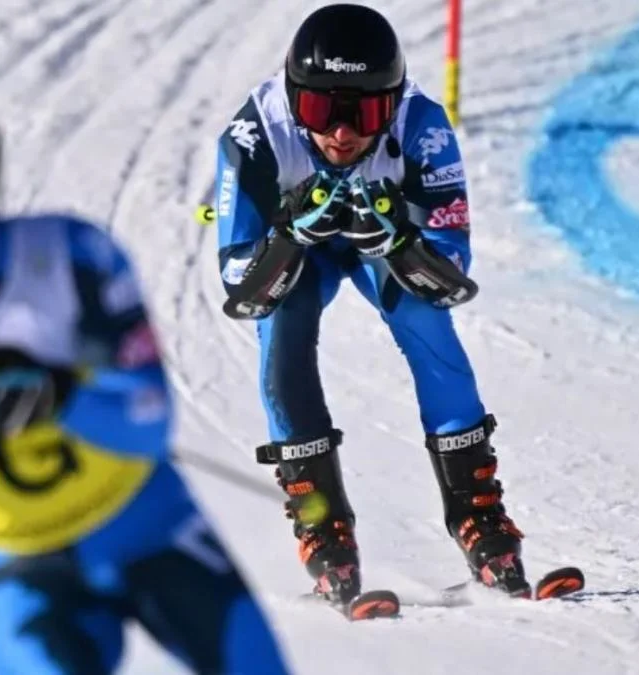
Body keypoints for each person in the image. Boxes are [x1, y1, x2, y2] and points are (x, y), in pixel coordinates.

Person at [0, 79, 290, 675]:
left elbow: (150, 421)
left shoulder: (72, 259)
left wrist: (60, 395)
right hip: (22, 565)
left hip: (147, 525)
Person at [212, 3, 530, 605]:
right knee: (282, 325)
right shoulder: (252, 136)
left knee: (422, 315)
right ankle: (321, 523)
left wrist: (400, 242)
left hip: (378, 246)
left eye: (363, 111)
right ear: (292, 98)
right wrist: (290, 236)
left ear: (394, 101)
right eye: (320, 109)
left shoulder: (422, 125)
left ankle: (479, 515)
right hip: (301, 255)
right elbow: (243, 290)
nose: (340, 132)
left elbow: (450, 277)